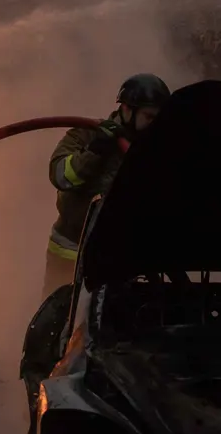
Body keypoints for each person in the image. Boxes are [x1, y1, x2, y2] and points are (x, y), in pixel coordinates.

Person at [43, 73, 170, 297]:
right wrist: (95, 151)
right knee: (59, 321)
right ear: (127, 110)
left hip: (119, 258)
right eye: (150, 117)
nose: (155, 124)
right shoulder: (85, 134)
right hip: (70, 252)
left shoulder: (155, 148)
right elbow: (61, 176)